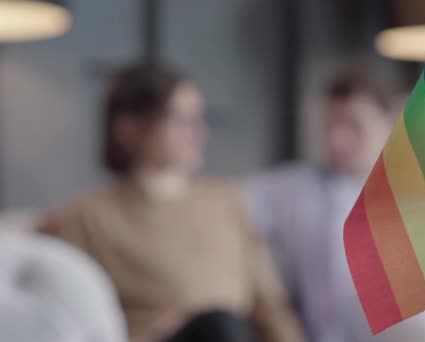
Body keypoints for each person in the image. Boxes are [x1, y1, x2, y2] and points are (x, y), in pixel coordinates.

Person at [44, 64, 305, 342]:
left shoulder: (227, 200)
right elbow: (66, 318)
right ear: (127, 128)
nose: (199, 131)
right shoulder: (88, 218)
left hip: (234, 333)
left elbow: (270, 306)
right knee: (217, 324)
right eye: (181, 119)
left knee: (223, 324)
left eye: (200, 118)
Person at [244, 66, 399, 342]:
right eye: (329, 126)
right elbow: (219, 203)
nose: (336, 140)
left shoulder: (423, 197)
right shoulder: (294, 189)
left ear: (390, 122)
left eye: (353, 126)